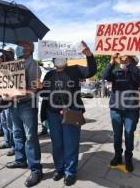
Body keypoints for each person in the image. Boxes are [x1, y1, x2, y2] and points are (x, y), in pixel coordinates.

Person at [41, 41, 97, 186]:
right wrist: (39, 88)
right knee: (57, 144)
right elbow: (44, 95)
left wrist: (89, 55)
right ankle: (59, 169)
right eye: (56, 57)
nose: (59, 59)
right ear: (53, 60)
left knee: (71, 143)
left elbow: (91, 71)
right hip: (53, 114)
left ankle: (70, 172)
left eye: (62, 57)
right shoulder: (49, 75)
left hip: (72, 112)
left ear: (66, 58)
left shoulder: (75, 69)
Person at [5, 40, 43, 187]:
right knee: (17, 133)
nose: (24, 47)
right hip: (14, 104)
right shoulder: (14, 64)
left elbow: (34, 88)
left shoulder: (33, 64)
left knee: (30, 137)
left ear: (32, 48)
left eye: (27, 45)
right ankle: (20, 159)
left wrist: (18, 92)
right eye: (21, 45)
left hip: (27, 105)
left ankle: (36, 169)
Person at [102, 53, 140, 172]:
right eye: (123, 59)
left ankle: (128, 157)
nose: (124, 60)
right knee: (117, 134)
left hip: (131, 109)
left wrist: (129, 64)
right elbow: (104, 75)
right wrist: (111, 62)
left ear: (132, 61)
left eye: (127, 58)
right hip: (116, 109)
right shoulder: (116, 72)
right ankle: (117, 155)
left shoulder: (137, 72)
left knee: (129, 133)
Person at [0, 46, 16, 157]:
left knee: (11, 124)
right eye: (3, 53)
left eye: (6, 53)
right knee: (4, 123)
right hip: (2, 99)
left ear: (11, 54)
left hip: (11, 100)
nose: (4, 55)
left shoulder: (15, 65)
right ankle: (7, 142)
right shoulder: (2, 64)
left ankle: (14, 146)